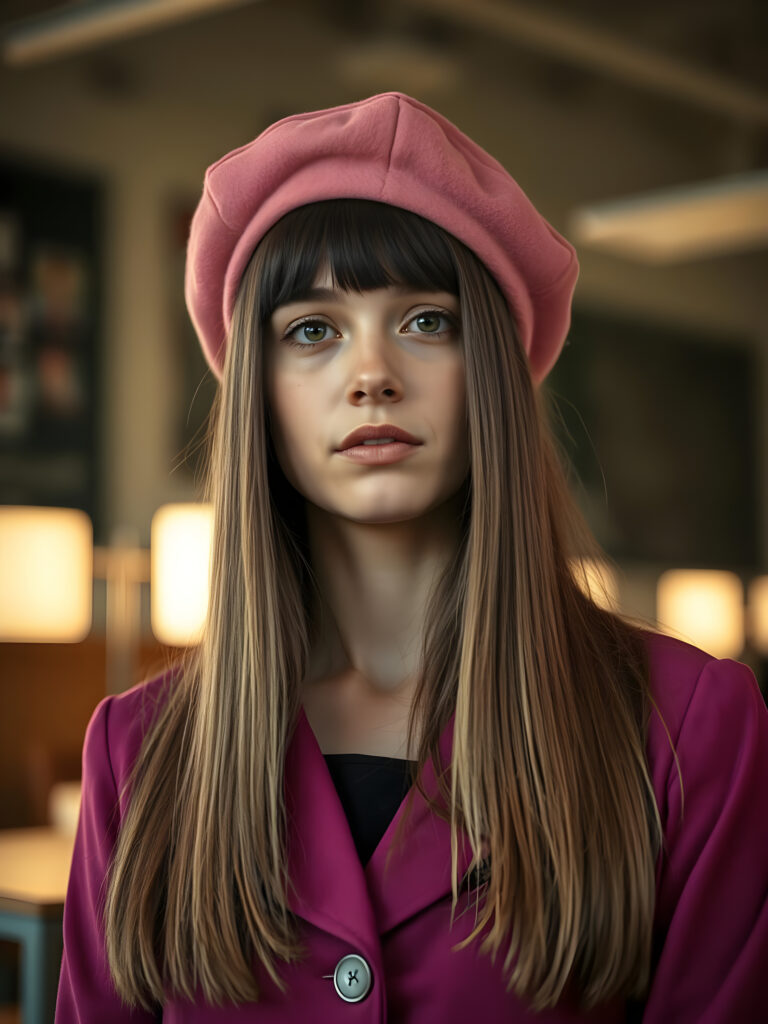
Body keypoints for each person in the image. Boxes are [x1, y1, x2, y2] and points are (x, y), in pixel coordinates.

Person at [55, 92, 768, 1023]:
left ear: (496, 379)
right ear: (257, 400)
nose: (372, 372)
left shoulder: (692, 732)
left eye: (427, 321)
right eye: (312, 330)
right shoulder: (137, 756)